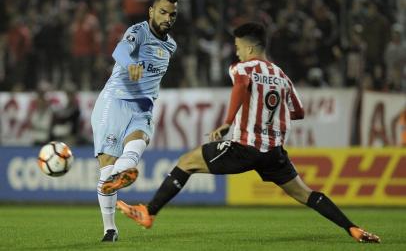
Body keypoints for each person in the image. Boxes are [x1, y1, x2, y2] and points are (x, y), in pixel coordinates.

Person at [116, 22, 381, 244]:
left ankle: (148, 212)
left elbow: (241, 85)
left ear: (250, 47)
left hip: (245, 146)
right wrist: (270, 115)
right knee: (305, 194)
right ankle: (353, 228)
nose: (237, 52)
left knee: (187, 162)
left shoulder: (242, 69)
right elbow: (298, 112)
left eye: (238, 47)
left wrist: (228, 122)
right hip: (274, 152)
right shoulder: (282, 76)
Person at [91, 0, 178, 242]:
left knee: (135, 149)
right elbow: (119, 51)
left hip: (143, 106)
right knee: (107, 168)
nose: (167, 18)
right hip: (114, 101)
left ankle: (119, 175)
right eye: (162, 12)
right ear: (151, 11)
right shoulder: (138, 32)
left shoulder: (170, 45)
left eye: (172, 14)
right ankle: (110, 228)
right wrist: (129, 63)